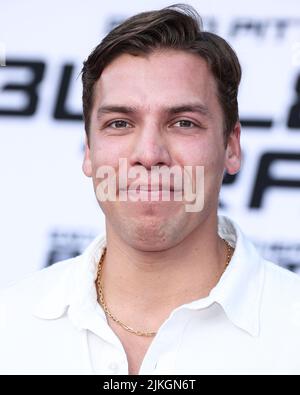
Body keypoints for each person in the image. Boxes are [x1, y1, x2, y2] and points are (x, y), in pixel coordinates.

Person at [1, 3, 300, 375]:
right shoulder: (10, 326)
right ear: (89, 151)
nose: (148, 155)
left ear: (231, 147)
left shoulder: (293, 329)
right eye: (120, 123)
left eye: (184, 123)